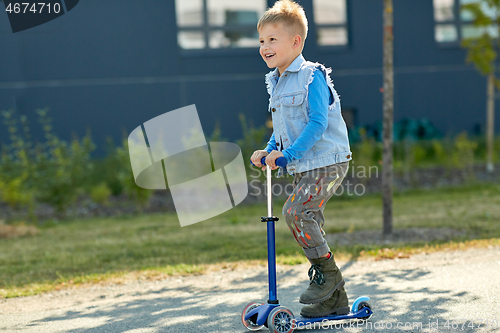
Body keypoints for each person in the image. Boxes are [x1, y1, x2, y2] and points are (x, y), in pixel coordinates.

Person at [250, 0, 353, 318]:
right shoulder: (277, 82)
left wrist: (289, 155)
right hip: (304, 163)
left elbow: (317, 122)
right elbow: (283, 129)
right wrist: (269, 150)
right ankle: (334, 299)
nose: (264, 47)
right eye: (261, 41)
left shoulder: (312, 76)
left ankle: (329, 274)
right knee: (309, 222)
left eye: (272, 39)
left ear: (295, 41)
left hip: (326, 159)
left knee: (296, 212)